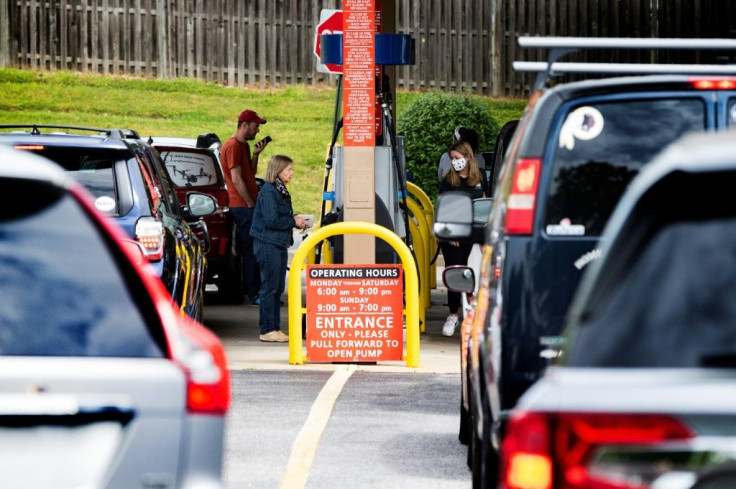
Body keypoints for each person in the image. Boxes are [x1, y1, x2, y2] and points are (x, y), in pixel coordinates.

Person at [250, 155, 307, 342]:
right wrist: (293, 221)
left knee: (276, 287)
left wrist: (294, 220)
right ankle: (267, 330)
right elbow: (271, 220)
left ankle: (273, 328)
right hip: (268, 243)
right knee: (270, 287)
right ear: (278, 170)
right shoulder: (269, 191)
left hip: (277, 243)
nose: (292, 173)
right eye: (288, 169)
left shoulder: (279, 190)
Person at [221, 109, 269, 305]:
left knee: (253, 248)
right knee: (250, 250)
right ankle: (253, 292)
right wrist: (250, 203)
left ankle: (254, 290)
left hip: (246, 205)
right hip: (242, 206)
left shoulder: (243, 146)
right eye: (256, 126)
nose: (257, 131)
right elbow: (236, 178)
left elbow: (250, 171)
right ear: (244, 125)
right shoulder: (232, 146)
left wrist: (256, 154)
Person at [439, 141, 486, 337]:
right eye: (452, 159)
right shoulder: (448, 180)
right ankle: (453, 314)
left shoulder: (480, 178)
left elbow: (484, 204)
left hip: (474, 236)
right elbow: (444, 207)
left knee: (476, 276)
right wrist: (451, 233)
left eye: (457, 158)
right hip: (454, 237)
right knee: (456, 274)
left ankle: (474, 315)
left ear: (468, 157)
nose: (454, 162)